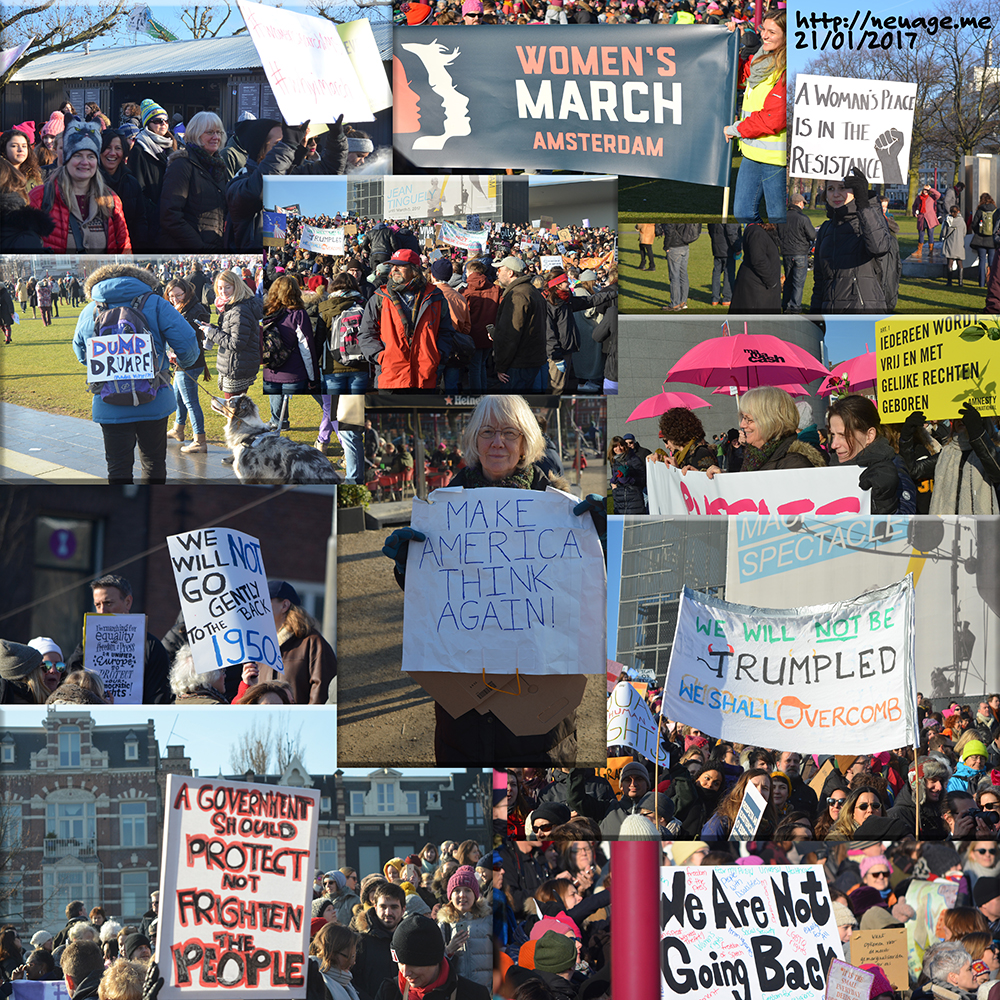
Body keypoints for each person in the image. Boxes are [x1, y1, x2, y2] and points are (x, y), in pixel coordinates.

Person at [381, 395, 605, 764]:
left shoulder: (564, 512)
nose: (497, 442)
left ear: (526, 442)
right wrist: (409, 568)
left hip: (539, 709)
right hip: (464, 709)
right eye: (487, 432)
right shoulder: (443, 510)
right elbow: (440, 602)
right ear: (473, 441)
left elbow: (586, 597)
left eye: (509, 432)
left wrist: (603, 542)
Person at [71, 263, 203, 482]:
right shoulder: (156, 303)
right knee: (153, 463)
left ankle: (123, 514)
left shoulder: (92, 309)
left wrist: (111, 368)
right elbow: (188, 343)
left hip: (109, 400)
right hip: (155, 396)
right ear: (141, 279)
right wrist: (179, 362)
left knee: (117, 467)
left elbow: (81, 352)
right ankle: (152, 512)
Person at [63, 574, 172, 703]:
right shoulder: (87, 645)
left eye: (108, 603)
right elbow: (71, 682)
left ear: (128, 602)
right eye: (97, 605)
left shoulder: (151, 647)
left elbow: (158, 698)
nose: (102, 611)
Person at [358, 248, 456, 391]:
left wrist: (436, 356)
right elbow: (366, 334)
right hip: (391, 378)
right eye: (393, 266)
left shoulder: (435, 297)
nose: (395, 269)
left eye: (401, 265)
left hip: (425, 378)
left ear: (414, 269)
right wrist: (382, 357)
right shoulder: (379, 298)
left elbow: (446, 332)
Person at [29, 121, 131, 253]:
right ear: (66, 160)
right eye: (77, 155)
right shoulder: (40, 197)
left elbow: (124, 249)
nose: (85, 162)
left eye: (90, 156)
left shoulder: (111, 199)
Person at [726, 11, 787, 223]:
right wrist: (733, 45)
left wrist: (736, 129)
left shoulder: (787, 70)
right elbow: (740, 82)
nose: (765, 36)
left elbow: (774, 118)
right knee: (743, 212)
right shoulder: (761, 58)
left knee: (779, 219)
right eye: (763, 30)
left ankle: (784, 255)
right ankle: (763, 254)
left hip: (776, 160)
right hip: (752, 151)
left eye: (772, 32)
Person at [235, 580, 336, 704]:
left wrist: (308, 720)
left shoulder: (312, 643)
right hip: (265, 721)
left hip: (300, 722)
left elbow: (322, 690)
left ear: (284, 605)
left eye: (264, 601)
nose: (258, 607)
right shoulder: (259, 645)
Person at [810, 169, 896, 313]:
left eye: (842, 188)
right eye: (831, 189)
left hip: (862, 313)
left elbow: (880, 247)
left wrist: (863, 203)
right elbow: (820, 281)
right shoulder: (825, 229)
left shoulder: (868, 222)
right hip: (831, 316)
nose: (836, 194)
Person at [828, 394, 916, 514]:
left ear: (869, 436)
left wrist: (886, 502)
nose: (834, 445)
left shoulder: (891, 467)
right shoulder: (831, 466)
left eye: (843, 435)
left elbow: (905, 524)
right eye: (833, 434)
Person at [373, 913, 490, 1000]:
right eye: (401, 963)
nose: (405, 972)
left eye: (414, 964)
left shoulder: (474, 995)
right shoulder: (389, 992)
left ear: (434, 961)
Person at [159, 111, 228, 250]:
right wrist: (201, 247)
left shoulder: (219, 166)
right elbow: (170, 215)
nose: (216, 137)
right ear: (196, 134)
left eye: (218, 132)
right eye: (210, 132)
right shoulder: (182, 165)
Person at [260, 274, 320, 426]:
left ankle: (278, 421)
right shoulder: (298, 314)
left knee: (275, 403)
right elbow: (306, 348)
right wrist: (313, 377)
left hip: (270, 369)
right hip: (294, 371)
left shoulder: (265, 312)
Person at [201, 269, 263, 406]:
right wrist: (213, 328)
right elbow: (232, 332)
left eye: (227, 287)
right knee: (236, 409)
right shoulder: (232, 306)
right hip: (236, 364)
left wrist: (211, 332)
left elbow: (236, 343)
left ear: (236, 286)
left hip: (237, 366)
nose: (223, 291)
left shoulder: (239, 309)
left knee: (233, 410)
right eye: (220, 287)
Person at [163, 277, 211, 454]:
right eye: (171, 295)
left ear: (186, 293)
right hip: (184, 362)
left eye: (178, 295)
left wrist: (175, 352)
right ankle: (178, 429)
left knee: (190, 401)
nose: (174, 299)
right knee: (179, 397)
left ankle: (200, 440)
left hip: (189, 362)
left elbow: (187, 339)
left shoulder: (193, 310)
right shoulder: (181, 308)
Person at [491, 256, 548, 392]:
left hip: (519, 364)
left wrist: (501, 366)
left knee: (512, 408)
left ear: (510, 273)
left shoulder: (517, 295)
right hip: (531, 360)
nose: (497, 273)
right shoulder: (531, 291)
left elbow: (510, 335)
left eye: (499, 270)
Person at [126, 99, 175, 250]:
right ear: (148, 124)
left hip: (170, 215)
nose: (163, 124)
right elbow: (137, 189)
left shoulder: (171, 145)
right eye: (157, 121)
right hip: (152, 220)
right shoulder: (140, 149)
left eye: (166, 120)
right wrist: (154, 211)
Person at [436, 866, 492, 990]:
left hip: (485, 991)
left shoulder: (488, 921)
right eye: (457, 891)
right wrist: (449, 949)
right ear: (450, 896)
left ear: (475, 894)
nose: (462, 895)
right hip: (456, 992)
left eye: (467, 890)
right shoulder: (444, 925)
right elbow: (434, 964)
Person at [354, 882, 406, 1000]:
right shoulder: (360, 941)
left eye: (394, 907)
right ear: (375, 908)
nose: (388, 912)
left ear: (403, 910)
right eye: (383, 907)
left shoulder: (410, 940)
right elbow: (350, 981)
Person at [99, 128, 147, 249]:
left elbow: (140, 220)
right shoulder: (89, 182)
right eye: (108, 147)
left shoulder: (132, 182)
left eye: (118, 148)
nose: (112, 153)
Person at [700, 768, 775, 841]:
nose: (760, 792)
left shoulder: (770, 824)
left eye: (765, 788)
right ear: (742, 789)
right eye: (754, 786)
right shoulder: (721, 822)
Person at [462, 259, 501, 392]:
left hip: (473, 335)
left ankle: (477, 397)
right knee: (481, 365)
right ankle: (483, 393)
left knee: (475, 367)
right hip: (490, 334)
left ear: (471, 272)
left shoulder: (466, 292)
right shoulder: (496, 289)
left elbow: (463, 314)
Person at [778, 194, 816, 312]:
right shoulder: (803, 218)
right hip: (800, 253)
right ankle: (795, 307)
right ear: (799, 203)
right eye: (803, 203)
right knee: (798, 283)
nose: (804, 206)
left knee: (788, 281)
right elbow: (813, 235)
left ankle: (785, 305)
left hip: (786, 253)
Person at [311, 923, 361, 1000]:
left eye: (354, 956)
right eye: (349, 957)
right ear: (331, 953)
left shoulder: (343, 980)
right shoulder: (316, 983)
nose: (353, 962)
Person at [660, 223, 702, 310]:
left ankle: (675, 303)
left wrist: (666, 246)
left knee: (674, 276)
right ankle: (683, 302)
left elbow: (669, 231)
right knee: (683, 275)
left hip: (674, 247)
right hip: (685, 246)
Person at [0, 127, 43, 201]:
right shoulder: (2, 176)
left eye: (24, 146)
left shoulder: (35, 174)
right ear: (4, 149)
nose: (21, 150)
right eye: (14, 146)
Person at [608, 435, 646, 514]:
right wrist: (614, 487)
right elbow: (614, 480)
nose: (619, 448)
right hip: (619, 501)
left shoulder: (634, 459)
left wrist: (630, 480)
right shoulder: (614, 462)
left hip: (634, 500)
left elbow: (643, 479)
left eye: (621, 445)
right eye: (615, 446)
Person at [706, 222, 741, 305]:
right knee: (729, 274)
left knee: (716, 273)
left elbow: (710, 230)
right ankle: (727, 298)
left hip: (717, 248)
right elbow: (731, 233)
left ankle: (715, 298)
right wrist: (737, 248)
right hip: (727, 249)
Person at [969, 193, 998, 288]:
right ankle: (991, 282)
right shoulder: (995, 211)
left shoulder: (980, 210)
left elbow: (974, 224)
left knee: (981, 261)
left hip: (980, 240)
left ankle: (981, 283)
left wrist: (978, 232)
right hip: (992, 241)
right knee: (991, 262)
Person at [942, 204, 968, 287]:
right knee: (960, 263)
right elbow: (964, 232)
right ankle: (960, 282)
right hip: (959, 243)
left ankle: (949, 282)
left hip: (950, 242)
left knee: (950, 262)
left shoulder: (948, 220)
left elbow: (944, 232)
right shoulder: (962, 221)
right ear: (958, 211)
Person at [913, 183, 941, 256]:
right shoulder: (918, 198)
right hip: (921, 218)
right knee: (921, 235)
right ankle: (919, 251)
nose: (925, 191)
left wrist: (930, 189)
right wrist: (914, 212)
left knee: (930, 234)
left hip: (930, 219)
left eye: (927, 190)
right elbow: (914, 206)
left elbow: (938, 194)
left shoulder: (931, 197)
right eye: (924, 189)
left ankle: (931, 251)